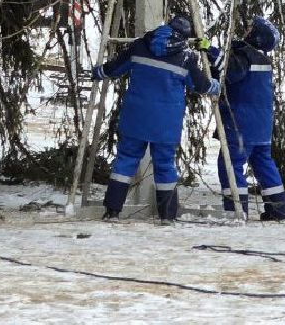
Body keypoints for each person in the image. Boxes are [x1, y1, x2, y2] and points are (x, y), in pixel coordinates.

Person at [91, 12, 219, 222]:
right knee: (165, 165)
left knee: (125, 161)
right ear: (186, 35)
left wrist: (98, 72)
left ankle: (112, 211)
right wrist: (215, 85)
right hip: (166, 123)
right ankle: (167, 216)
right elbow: (201, 86)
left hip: (136, 117)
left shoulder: (141, 45)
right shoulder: (186, 57)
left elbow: (115, 68)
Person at [210, 15, 285, 221]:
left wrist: (209, 51)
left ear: (257, 36)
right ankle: (278, 210)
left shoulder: (244, 55)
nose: (245, 30)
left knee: (230, 164)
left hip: (240, 124)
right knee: (263, 163)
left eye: (250, 28)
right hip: (262, 125)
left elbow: (229, 73)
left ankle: (237, 210)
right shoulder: (263, 60)